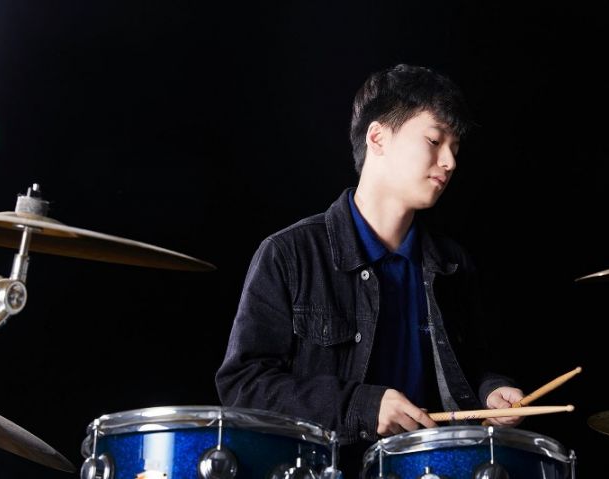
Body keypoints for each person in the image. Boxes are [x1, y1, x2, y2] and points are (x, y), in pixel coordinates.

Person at [216, 63, 524, 478]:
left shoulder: (453, 263)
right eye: (435, 140)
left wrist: (492, 392)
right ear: (377, 138)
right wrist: (360, 405)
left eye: (455, 147)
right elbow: (243, 386)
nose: (450, 161)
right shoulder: (289, 254)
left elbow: (475, 365)